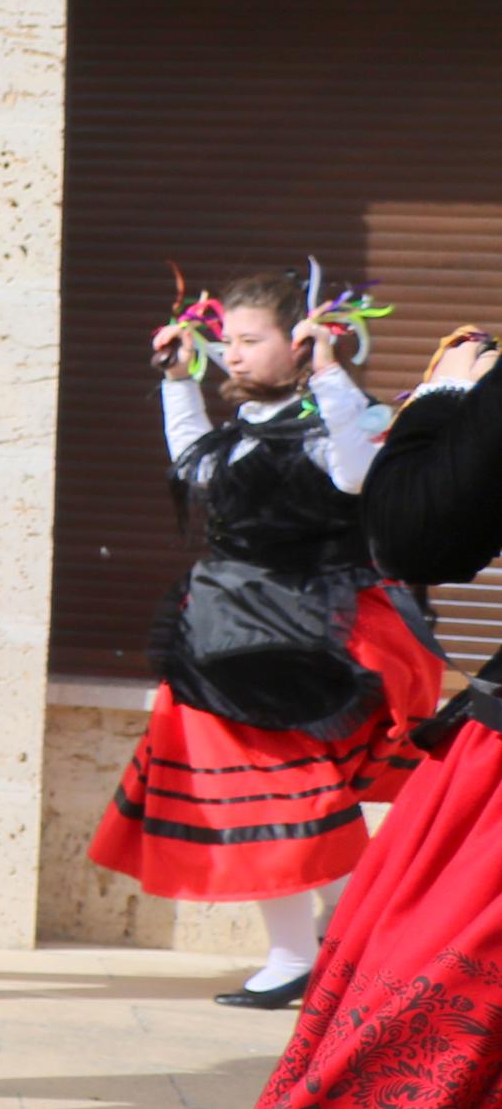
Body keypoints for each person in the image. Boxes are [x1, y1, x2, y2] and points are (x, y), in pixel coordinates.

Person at [167, 324, 502, 1109]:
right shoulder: (232, 418)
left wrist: (441, 401)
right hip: (237, 649)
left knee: (455, 1053)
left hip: (299, 662)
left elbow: (419, 530)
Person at [88, 276, 446, 1006]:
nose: (233, 355)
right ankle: (326, 940)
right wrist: (179, 382)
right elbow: (196, 468)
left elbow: (356, 474)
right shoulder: (247, 427)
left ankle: (317, 945)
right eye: (229, 342)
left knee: (285, 795)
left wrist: (327, 372)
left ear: (302, 340)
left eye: (250, 341)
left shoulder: (340, 417)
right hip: (228, 628)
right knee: (273, 799)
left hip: (300, 635)